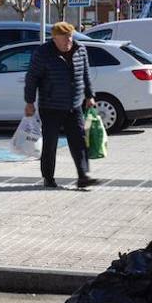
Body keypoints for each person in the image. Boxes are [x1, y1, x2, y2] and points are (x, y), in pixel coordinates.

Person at [24, 22, 99, 189]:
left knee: (79, 141)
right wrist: (29, 102)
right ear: (55, 38)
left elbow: (86, 75)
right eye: (65, 38)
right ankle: (48, 178)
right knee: (50, 144)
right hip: (51, 106)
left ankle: (83, 176)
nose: (69, 41)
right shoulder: (43, 53)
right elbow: (32, 78)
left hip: (74, 105)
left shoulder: (80, 50)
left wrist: (90, 96)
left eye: (71, 36)